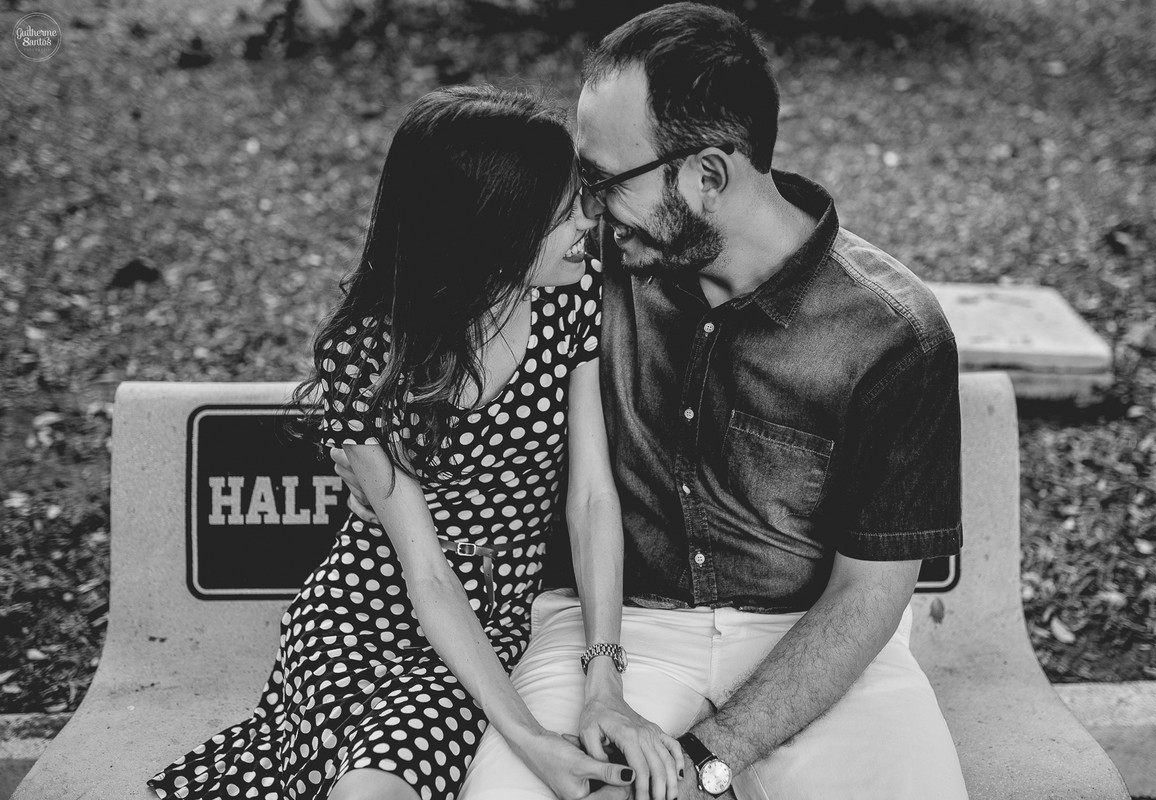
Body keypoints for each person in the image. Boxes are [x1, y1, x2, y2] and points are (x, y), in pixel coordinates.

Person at [336, 5, 970, 799]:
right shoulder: (579, 261)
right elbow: (430, 265)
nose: (582, 210)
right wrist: (369, 439)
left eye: (601, 183)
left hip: (811, 638)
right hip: (614, 626)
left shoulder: (892, 335)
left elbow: (866, 597)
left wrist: (705, 758)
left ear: (707, 175)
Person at [147, 85, 682, 800]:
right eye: (563, 214)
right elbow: (425, 571)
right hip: (362, 610)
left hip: (482, 627)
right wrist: (530, 739)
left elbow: (590, 499)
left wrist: (603, 673)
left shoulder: (572, 300)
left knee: (376, 786)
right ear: (496, 230)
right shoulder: (364, 356)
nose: (589, 222)